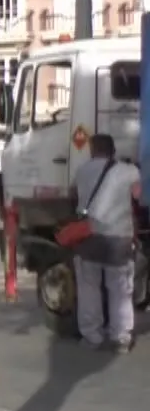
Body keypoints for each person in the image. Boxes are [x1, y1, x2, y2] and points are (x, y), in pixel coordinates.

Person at [71, 133, 140, 353]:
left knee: (89, 288)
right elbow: (138, 196)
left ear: (93, 150)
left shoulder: (82, 170)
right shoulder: (129, 171)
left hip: (89, 237)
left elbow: (73, 196)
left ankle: (92, 337)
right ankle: (121, 338)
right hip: (119, 238)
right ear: (113, 151)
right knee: (120, 290)